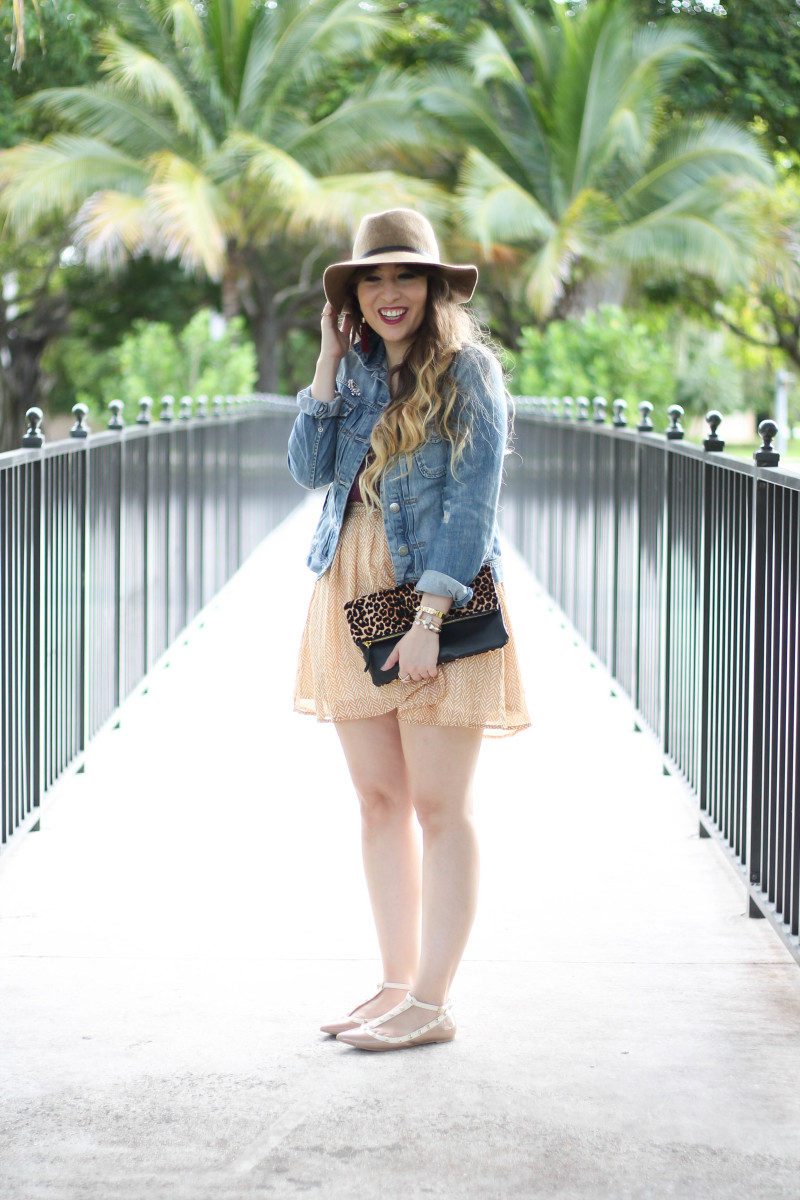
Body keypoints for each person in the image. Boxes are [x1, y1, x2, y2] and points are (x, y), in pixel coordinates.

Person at [287, 208, 531, 1051]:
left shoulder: (469, 373)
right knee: (378, 800)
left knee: (438, 804)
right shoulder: (352, 371)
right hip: (347, 591)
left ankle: (433, 1001)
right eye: (373, 278)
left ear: (434, 288)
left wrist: (430, 618)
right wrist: (326, 362)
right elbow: (309, 470)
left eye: (406, 276)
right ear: (353, 292)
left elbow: (475, 504)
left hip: (433, 600)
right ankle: (396, 982)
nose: (390, 293)